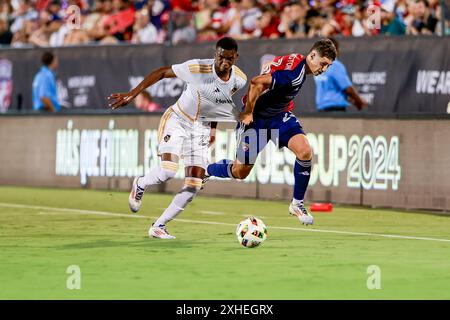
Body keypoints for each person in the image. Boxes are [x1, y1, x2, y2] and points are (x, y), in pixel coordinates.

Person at [108, 37, 247, 239]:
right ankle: (140, 183)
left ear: (236, 57)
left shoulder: (239, 79)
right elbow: (162, 72)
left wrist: (213, 129)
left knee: (194, 185)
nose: (224, 63)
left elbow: (220, 102)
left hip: (201, 129)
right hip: (178, 120)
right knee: (167, 171)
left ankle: (159, 226)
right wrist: (132, 94)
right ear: (215, 54)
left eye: (229, 59)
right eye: (220, 57)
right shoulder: (198, 68)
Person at [206, 39, 337, 226]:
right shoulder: (294, 74)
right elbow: (256, 82)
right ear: (313, 55)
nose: (324, 69)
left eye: (328, 66)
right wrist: (249, 111)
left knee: (305, 151)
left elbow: (270, 68)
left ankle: (297, 204)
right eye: (323, 64)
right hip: (257, 119)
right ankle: (206, 169)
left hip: (278, 116)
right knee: (240, 171)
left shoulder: (298, 62)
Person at [314, 38, 367, 112]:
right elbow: (347, 89)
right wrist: (359, 102)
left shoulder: (318, 66)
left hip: (321, 109)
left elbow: (332, 89)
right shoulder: (335, 65)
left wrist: (351, 99)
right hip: (335, 110)